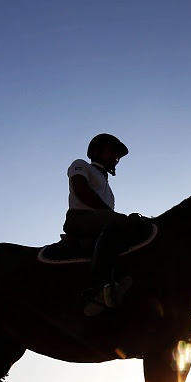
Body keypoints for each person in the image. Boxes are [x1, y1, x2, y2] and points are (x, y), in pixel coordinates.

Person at [64, 133, 144, 316]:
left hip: (102, 224)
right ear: (96, 151)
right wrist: (113, 216)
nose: (116, 159)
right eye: (112, 152)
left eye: (118, 156)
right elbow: (80, 189)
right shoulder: (80, 165)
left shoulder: (110, 192)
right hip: (79, 218)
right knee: (126, 221)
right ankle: (99, 288)